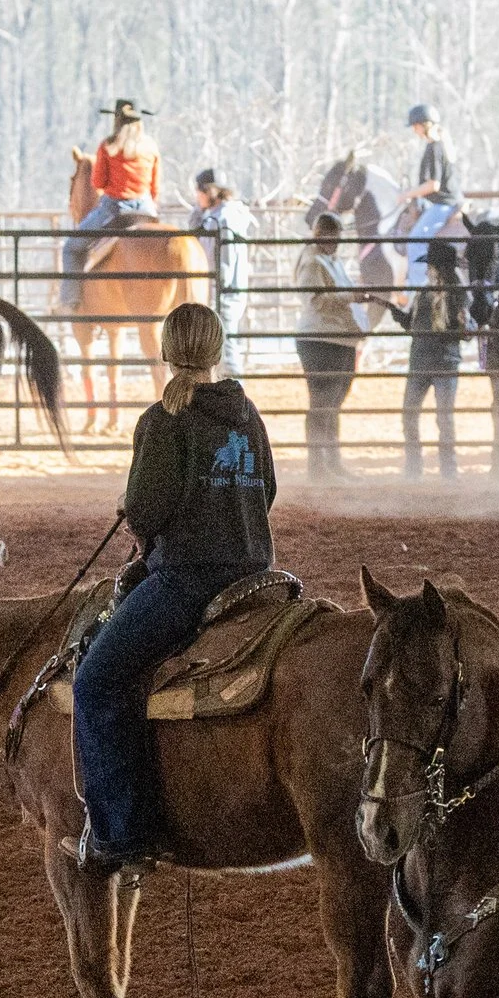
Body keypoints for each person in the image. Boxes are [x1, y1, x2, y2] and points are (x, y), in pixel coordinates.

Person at [71, 303, 275, 872]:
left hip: (191, 578)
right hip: (259, 573)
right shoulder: (247, 413)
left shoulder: (163, 420)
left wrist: (131, 507)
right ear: (217, 349)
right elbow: (269, 491)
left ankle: (122, 834)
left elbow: (146, 511)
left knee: (96, 681)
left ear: (167, 350)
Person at [374, 241, 471, 478]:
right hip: (433, 361)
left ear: (439, 268)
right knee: (426, 415)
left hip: (432, 361)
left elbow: (460, 329)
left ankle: (427, 468)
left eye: (431, 266)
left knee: (432, 416)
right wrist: (390, 306)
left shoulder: (454, 295)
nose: (428, 270)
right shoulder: (432, 293)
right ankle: (436, 469)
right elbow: (411, 324)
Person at [58, 99, 159, 314]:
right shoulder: (151, 148)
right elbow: (155, 187)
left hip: (115, 208)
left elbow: (98, 183)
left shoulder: (108, 147)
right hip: (147, 210)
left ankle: (70, 300)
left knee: (71, 247)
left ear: (116, 121)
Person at [293, 213, 368, 476]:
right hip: (322, 338)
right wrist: (350, 297)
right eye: (334, 237)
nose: (337, 242)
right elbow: (314, 300)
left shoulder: (325, 260)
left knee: (330, 402)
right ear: (323, 235)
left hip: (335, 337)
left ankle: (328, 464)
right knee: (324, 401)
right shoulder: (315, 262)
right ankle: (320, 465)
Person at [189, 169, 256, 373]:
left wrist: (218, 290)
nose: (197, 196)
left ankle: (237, 397)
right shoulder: (225, 216)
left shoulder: (222, 219)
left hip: (223, 293)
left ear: (209, 192)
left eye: (199, 191)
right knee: (223, 347)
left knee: (227, 351)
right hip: (226, 291)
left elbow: (223, 260)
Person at [398, 104, 461, 291]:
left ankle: (419, 290)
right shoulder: (440, 146)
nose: (414, 130)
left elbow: (433, 185)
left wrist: (406, 195)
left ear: (424, 125)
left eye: (415, 125)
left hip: (443, 204)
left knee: (415, 242)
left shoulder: (434, 148)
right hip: (445, 201)